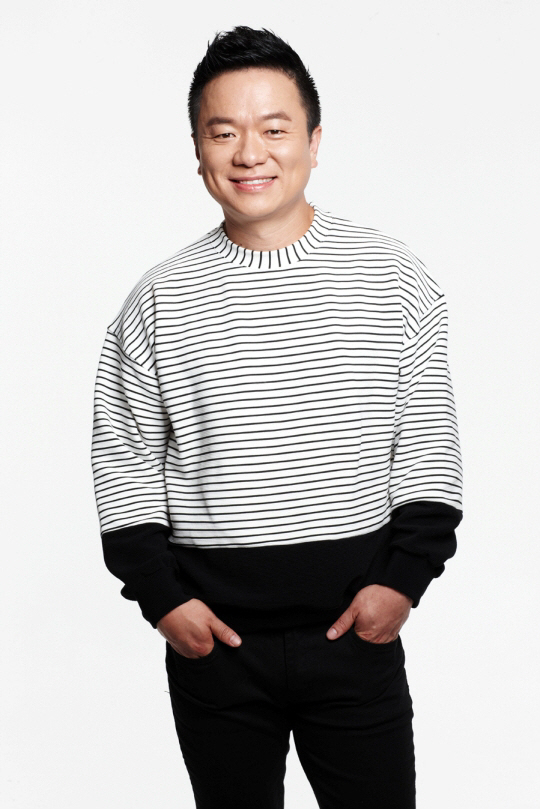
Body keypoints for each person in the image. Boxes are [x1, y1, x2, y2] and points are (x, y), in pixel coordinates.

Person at [91, 25, 463, 809]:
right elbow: (125, 457)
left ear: (315, 142)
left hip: (356, 633)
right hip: (215, 647)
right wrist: (163, 599)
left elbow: (427, 440)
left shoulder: (391, 276)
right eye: (223, 132)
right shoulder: (157, 299)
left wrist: (403, 581)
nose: (248, 153)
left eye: (273, 128)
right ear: (198, 150)